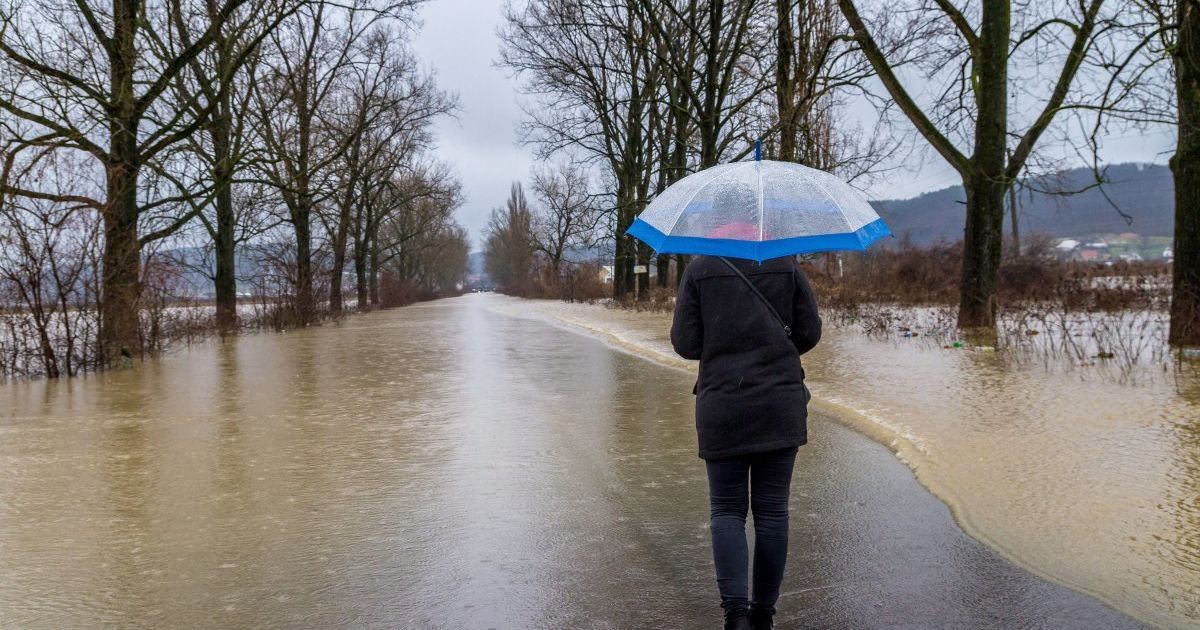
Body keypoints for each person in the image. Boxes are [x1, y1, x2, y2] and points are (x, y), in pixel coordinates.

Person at [670, 253, 821, 630]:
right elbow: (810, 332)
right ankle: (764, 615)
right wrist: (769, 345)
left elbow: (686, 343)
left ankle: (735, 616)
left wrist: (725, 341)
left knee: (726, 511)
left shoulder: (700, 269)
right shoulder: (786, 264)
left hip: (723, 405)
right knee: (772, 513)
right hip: (779, 404)